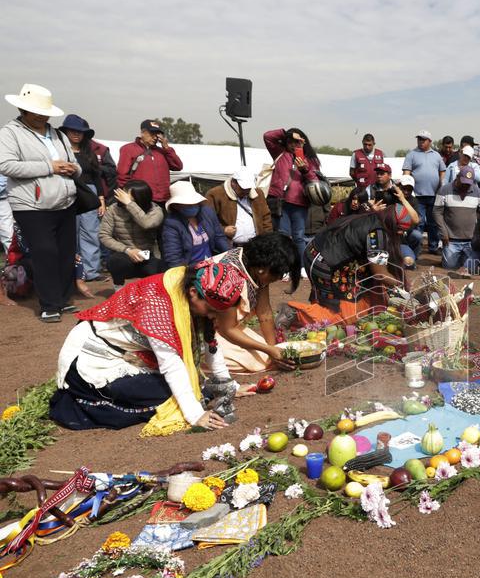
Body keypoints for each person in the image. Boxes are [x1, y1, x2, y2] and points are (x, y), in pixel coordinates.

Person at [50, 262, 252, 434]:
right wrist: (195, 415)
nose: (211, 316)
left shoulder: (190, 293)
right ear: (193, 293)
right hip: (93, 361)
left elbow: (210, 341)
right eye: (210, 310)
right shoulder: (158, 305)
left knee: (184, 390)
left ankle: (202, 391)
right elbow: (171, 364)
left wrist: (227, 387)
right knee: (168, 399)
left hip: (130, 356)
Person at [0, 83, 80, 322]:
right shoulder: (10, 133)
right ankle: (48, 304)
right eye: (37, 111)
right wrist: (49, 167)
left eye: (45, 112)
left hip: (65, 202)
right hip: (31, 205)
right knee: (45, 252)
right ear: (23, 110)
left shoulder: (57, 134)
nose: (43, 116)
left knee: (66, 253)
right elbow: (6, 165)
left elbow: (75, 163)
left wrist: (72, 169)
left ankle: (64, 299)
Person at [290, 208, 405, 327]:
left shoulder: (373, 218)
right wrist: (400, 285)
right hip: (326, 263)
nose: (402, 234)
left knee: (361, 300)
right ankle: (295, 314)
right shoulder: (377, 233)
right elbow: (380, 274)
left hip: (316, 254)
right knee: (347, 317)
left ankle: (315, 313)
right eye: (401, 229)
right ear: (392, 222)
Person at [211, 232, 300, 374]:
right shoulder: (229, 275)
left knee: (266, 356)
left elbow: (264, 313)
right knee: (257, 363)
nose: (279, 278)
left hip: (228, 325)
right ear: (263, 268)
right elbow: (227, 329)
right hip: (208, 329)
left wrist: (272, 348)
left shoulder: (257, 269)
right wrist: (269, 350)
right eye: (278, 274)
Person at [58, 115, 108, 283]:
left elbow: (97, 177)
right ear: (65, 131)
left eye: (80, 132)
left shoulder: (89, 153)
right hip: (66, 191)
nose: (76, 134)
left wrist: (101, 199)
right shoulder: (59, 151)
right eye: (73, 130)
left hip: (89, 193)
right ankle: (71, 272)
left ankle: (91, 272)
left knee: (90, 233)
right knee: (68, 233)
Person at [263, 127, 322, 269]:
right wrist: (286, 133)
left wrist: (305, 170)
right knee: (282, 236)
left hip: (300, 202)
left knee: (298, 237)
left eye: (298, 141)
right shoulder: (280, 152)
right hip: (280, 201)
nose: (295, 144)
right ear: (286, 141)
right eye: (292, 141)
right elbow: (267, 136)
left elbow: (315, 180)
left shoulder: (311, 160)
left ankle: (301, 267)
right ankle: (284, 267)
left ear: (304, 142)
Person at [99, 180, 165, 290]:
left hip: (147, 254)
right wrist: (128, 250)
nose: (122, 197)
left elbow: (147, 224)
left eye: (127, 196)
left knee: (158, 268)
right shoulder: (114, 209)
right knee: (115, 262)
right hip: (125, 253)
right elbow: (104, 235)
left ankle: (151, 289)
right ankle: (119, 288)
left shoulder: (155, 210)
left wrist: (130, 204)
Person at [161, 181, 229, 268]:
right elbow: (173, 257)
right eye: (187, 204)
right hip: (190, 269)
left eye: (194, 203)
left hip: (212, 263)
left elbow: (219, 237)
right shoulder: (172, 223)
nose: (192, 205)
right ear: (176, 206)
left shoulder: (207, 212)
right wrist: (182, 275)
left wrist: (229, 254)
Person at [116, 120, 183, 206]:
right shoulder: (128, 149)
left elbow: (178, 166)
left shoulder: (163, 151)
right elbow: (122, 175)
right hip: (139, 200)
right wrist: (129, 197)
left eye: (157, 134)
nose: (155, 137)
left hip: (162, 200)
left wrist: (167, 148)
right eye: (152, 133)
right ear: (142, 133)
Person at [433, 166, 480, 273]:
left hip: (471, 240)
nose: (466, 185)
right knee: (449, 267)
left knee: (471, 269)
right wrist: (443, 232)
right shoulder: (444, 190)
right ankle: (448, 256)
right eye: (463, 182)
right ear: (457, 177)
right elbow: (437, 212)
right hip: (451, 240)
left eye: (468, 183)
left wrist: (479, 233)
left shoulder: (479, 192)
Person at [204, 167, 272, 247]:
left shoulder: (258, 194)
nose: (246, 191)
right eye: (243, 188)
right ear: (233, 182)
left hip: (255, 246)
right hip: (228, 247)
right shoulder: (215, 194)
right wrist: (223, 230)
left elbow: (266, 218)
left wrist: (268, 240)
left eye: (249, 188)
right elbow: (207, 221)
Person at [402, 130, 446, 254]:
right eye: (419, 139)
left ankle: (433, 247)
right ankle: (418, 247)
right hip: (417, 196)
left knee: (433, 223)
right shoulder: (411, 154)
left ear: (429, 141)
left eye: (423, 139)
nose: (420, 141)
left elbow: (442, 170)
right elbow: (406, 172)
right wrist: (407, 190)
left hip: (434, 194)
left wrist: (442, 184)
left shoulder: (436, 155)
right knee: (418, 222)